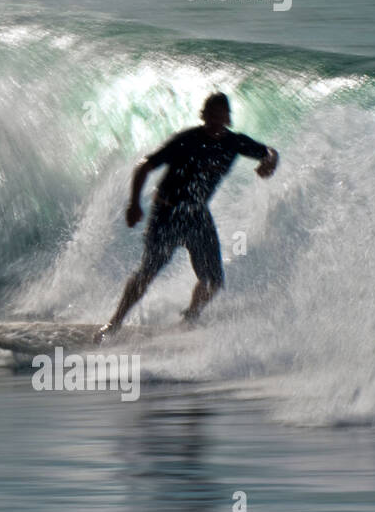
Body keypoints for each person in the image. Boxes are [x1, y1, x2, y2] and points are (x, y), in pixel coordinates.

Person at [96, 93, 278, 342]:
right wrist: (134, 203)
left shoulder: (234, 143)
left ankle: (189, 320)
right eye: (210, 114)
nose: (214, 120)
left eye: (219, 115)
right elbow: (145, 166)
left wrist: (270, 160)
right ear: (203, 115)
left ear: (228, 118)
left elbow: (267, 151)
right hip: (167, 214)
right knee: (148, 273)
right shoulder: (187, 141)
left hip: (197, 215)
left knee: (213, 281)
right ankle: (114, 323)